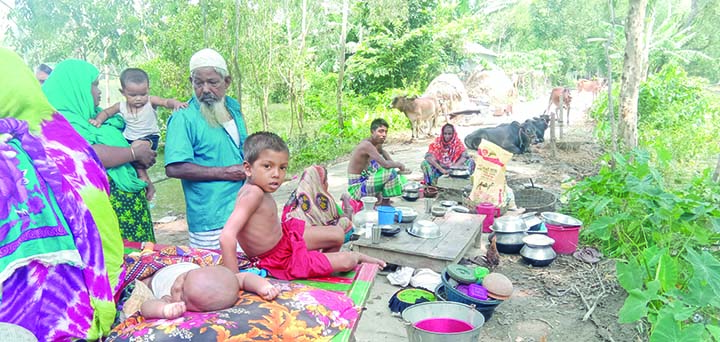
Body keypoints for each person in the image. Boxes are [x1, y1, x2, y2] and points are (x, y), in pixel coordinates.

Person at [0, 48, 124, 341]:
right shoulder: (61, 132)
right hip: (97, 286)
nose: (97, 94)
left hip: (29, 318)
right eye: (93, 86)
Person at [220, 132, 386, 280]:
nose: (276, 174)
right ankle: (335, 260)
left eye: (282, 167)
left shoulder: (258, 188)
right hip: (276, 258)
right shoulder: (252, 194)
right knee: (348, 260)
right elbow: (226, 236)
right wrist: (235, 280)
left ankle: (319, 266)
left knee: (337, 234)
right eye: (267, 166)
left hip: (284, 238)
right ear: (248, 169)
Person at [42, 59, 158, 243]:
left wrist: (143, 175)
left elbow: (124, 148)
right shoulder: (62, 124)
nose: (99, 90)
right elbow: (88, 155)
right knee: (119, 262)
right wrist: (134, 154)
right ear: (76, 87)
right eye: (94, 85)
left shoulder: (97, 118)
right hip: (108, 212)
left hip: (133, 207)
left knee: (145, 260)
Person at [165, 48, 248, 250]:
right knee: (217, 275)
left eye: (212, 82)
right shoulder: (183, 118)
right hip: (211, 219)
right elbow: (174, 168)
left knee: (250, 272)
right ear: (191, 82)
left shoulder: (234, 108)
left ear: (226, 82)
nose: (205, 89)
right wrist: (225, 172)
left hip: (243, 211)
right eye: (198, 83)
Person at [88, 68, 187, 200]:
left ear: (148, 90)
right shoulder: (121, 106)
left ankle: (144, 177)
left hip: (148, 138)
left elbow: (165, 102)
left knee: (137, 148)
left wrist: (176, 104)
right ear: (123, 92)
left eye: (143, 94)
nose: (139, 99)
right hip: (130, 140)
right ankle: (145, 179)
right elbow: (107, 112)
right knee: (131, 155)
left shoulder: (150, 102)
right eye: (133, 95)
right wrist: (98, 120)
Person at [140, 263, 278, 319]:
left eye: (181, 294)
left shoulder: (170, 300)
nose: (175, 287)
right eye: (184, 279)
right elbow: (245, 277)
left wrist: (163, 310)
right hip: (181, 265)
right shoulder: (196, 276)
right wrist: (263, 286)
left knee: (141, 285)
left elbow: (145, 307)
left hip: (156, 277)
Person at [282, 165, 356, 243]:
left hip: (292, 239)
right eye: (325, 181)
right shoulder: (322, 199)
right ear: (319, 183)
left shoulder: (296, 197)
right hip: (311, 240)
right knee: (345, 223)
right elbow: (345, 220)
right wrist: (346, 201)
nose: (327, 184)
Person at [347, 118, 408, 206]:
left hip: (366, 181)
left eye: (386, 132)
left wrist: (393, 165)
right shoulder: (366, 145)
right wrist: (399, 165)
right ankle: (385, 203)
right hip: (357, 189)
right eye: (381, 131)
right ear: (372, 132)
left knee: (393, 174)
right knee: (389, 172)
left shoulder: (376, 144)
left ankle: (383, 199)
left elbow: (383, 153)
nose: (384, 134)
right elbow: (386, 165)